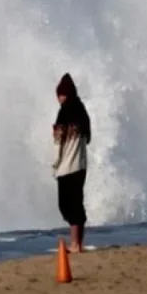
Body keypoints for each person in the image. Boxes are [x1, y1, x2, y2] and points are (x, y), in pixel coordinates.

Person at [51, 72, 91, 252]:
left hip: (67, 167)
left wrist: (55, 163)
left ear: (63, 94)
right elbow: (88, 138)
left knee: (66, 205)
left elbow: (58, 141)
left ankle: (75, 244)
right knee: (77, 204)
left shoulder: (64, 112)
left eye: (59, 95)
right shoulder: (82, 111)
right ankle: (78, 243)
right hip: (81, 165)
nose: (58, 99)